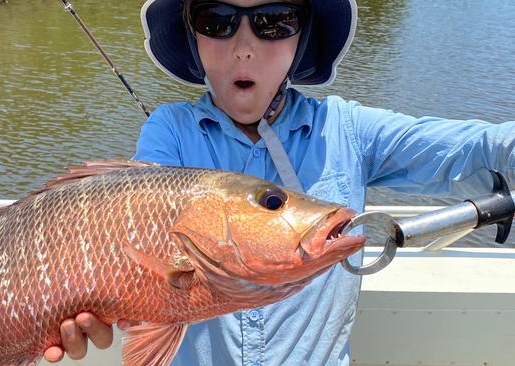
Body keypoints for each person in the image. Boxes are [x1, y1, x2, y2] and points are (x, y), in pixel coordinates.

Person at [44, 0, 515, 364]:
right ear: (192, 34)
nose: (244, 46)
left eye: (273, 21)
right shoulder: (170, 132)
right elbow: (130, 237)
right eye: (216, 19)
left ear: (301, 36)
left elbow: (483, 146)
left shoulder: (345, 129)